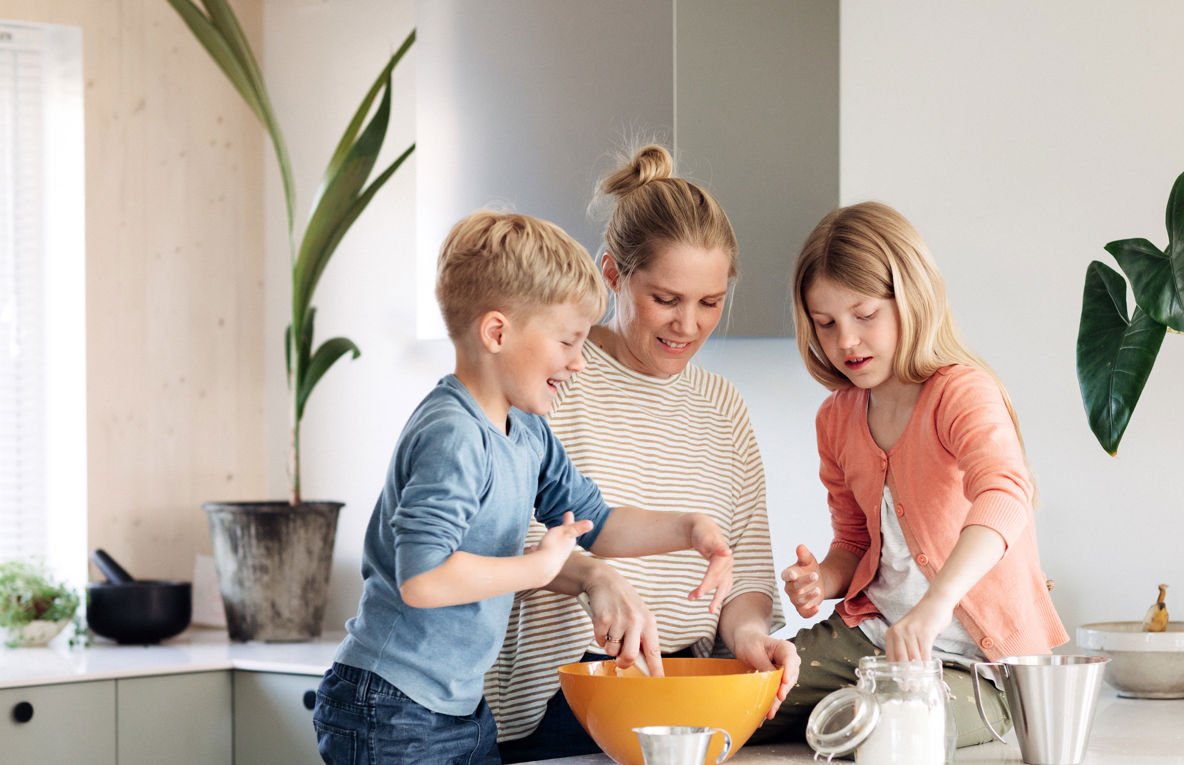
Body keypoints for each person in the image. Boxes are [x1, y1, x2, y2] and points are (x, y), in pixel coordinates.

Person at [311, 211, 734, 765]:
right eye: (568, 342)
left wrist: (690, 528)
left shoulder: (527, 430)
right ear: (497, 332)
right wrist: (536, 568)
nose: (579, 364)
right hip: (391, 705)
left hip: (458, 707)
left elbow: (598, 525)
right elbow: (422, 578)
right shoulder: (454, 435)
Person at [488, 145, 799, 762]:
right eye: (666, 299)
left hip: (687, 695)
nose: (689, 324)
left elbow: (744, 575)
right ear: (612, 274)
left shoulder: (723, 408)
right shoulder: (551, 380)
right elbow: (501, 542)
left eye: (710, 302)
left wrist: (750, 637)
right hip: (564, 696)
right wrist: (594, 578)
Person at [752, 201, 1068, 746]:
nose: (845, 341)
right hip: (870, 638)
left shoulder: (961, 392)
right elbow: (854, 543)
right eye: (826, 324)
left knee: (884, 732)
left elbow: (1006, 494)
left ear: (911, 299)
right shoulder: (836, 418)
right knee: (747, 695)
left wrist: (934, 606)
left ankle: (862, 714)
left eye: (864, 315)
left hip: (982, 666)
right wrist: (823, 579)